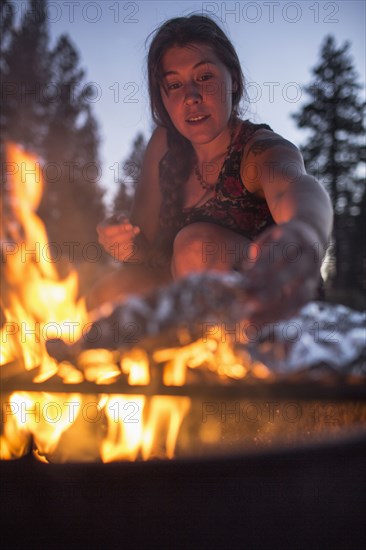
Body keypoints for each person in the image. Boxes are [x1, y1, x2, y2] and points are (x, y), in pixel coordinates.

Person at [95, 14, 333, 324]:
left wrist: (303, 231)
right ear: (162, 97)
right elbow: (143, 245)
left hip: (275, 306)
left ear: (233, 78)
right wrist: (122, 243)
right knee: (109, 295)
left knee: (197, 249)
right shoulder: (164, 146)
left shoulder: (258, 150)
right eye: (175, 84)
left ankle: (231, 363)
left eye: (204, 77)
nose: (191, 97)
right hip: (189, 300)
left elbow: (297, 187)